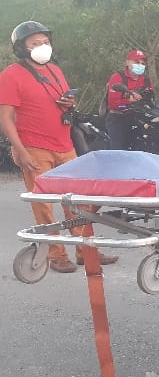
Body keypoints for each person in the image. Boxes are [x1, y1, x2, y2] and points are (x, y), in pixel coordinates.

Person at [0, 21, 118, 273]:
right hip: (34, 147)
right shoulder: (11, 74)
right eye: (35, 43)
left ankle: (86, 251)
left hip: (64, 145)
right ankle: (56, 254)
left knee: (77, 201)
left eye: (45, 42)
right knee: (44, 204)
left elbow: (60, 103)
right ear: (22, 48)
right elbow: (5, 117)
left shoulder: (54, 70)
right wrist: (19, 149)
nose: (42, 47)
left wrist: (69, 102)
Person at [104, 48, 155, 150]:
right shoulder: (118, 77)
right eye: (136, 62)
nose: (139, 65)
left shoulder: (145, 80)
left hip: (138, 118)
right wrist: (128, 102)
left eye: (142, 63)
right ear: (127, 62)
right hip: (118, 116)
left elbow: (152, 98)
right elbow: (113, 104)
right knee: (118, 149)